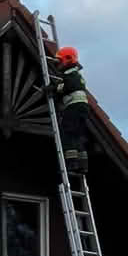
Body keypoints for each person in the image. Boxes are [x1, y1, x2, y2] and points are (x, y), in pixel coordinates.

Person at [49, 45, 91, 175]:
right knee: (79, 136)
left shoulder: (70, 74)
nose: (58, 64)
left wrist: (52, 89)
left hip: (73, 107)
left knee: (69, 133)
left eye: (60, 61)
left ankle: (72, 163)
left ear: (68, 59)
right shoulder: (76, 74)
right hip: (82, 108)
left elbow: (66, 86)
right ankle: (83, 165)